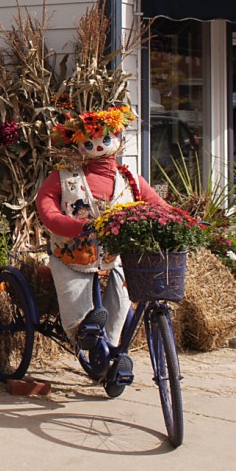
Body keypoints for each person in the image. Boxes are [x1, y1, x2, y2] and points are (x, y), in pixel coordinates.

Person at [35, 106, 171, 362]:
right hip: (72, 254)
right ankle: (83, 329)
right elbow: (46, 208)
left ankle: (108, 344)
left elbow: (157, 206)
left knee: (121, 298)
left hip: (115, 255)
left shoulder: (129, 179)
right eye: (88, 142)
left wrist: (180, 219)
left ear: (116, 139)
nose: (97, 146)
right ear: (77, 144)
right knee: (73, 291)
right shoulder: (63, 177)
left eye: (105, 139)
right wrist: (74, 226)